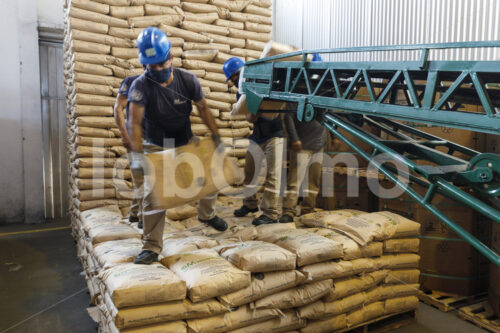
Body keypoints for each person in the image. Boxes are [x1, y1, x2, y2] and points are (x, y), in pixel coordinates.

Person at [128, 27, 228, 265]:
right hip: (155, 144)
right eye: (153, 67)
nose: (159, 70)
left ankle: (207, 215)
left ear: (171, 58)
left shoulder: (188, 80)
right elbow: (134, 123)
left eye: (162, 64)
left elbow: (203, 109)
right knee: (154, 195)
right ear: (145, 65)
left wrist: (216, 139)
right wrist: (138, 155)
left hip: (184, 140)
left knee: (212, 171)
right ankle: (151, 246)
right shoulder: (140, 86)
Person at [223, 57, 285, 226]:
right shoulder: (240, 92)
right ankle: (250, 205)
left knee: (272, 175)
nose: (235, 81)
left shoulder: (264, 82)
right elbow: (250, 118)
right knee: (249, 173)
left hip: (274, 135)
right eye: (232, 79)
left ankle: (270, 214)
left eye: (236, 77)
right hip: (256, 136)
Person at [280, 53, 327, 222]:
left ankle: (308, 209)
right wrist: (295, 139)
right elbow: (288, 116)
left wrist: (333, 138)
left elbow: (330, 117)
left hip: (319, 143)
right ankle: (288, 211)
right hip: (302, 143)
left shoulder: (325, 90)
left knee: (313, 182)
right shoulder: (298, 89)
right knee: (295, 180)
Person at [114, 74, 143, 228]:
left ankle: (134, 212)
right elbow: (118, 107)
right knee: (142, 179)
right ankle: (146, 217)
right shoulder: (131, 82)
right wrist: (124, 135)